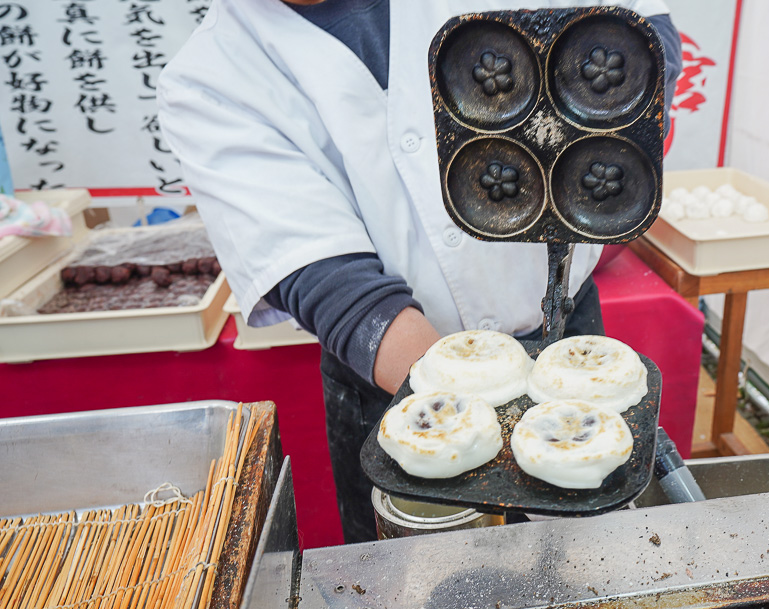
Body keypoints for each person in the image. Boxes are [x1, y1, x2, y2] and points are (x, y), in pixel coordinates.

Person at [158, 0, 683, 543]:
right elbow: (328, 281)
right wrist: (504, 437)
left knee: (582, 581)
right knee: (414, 603)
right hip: (396, 380)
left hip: (569, 342)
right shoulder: (212, 75)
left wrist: (615, 103)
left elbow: (642, 30)